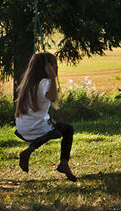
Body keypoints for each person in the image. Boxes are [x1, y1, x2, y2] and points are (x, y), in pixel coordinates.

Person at [14, 51, 76, 181]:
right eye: (54, 65)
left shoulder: (27, 84)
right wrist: (52, 77)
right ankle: (64, 163)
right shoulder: (44, 83)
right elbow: (53, 97)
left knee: (51, 126)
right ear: (47, 68)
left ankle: (29, 150)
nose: (57, 67)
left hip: (22, 129)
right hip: (35, 129)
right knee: (67, 129)